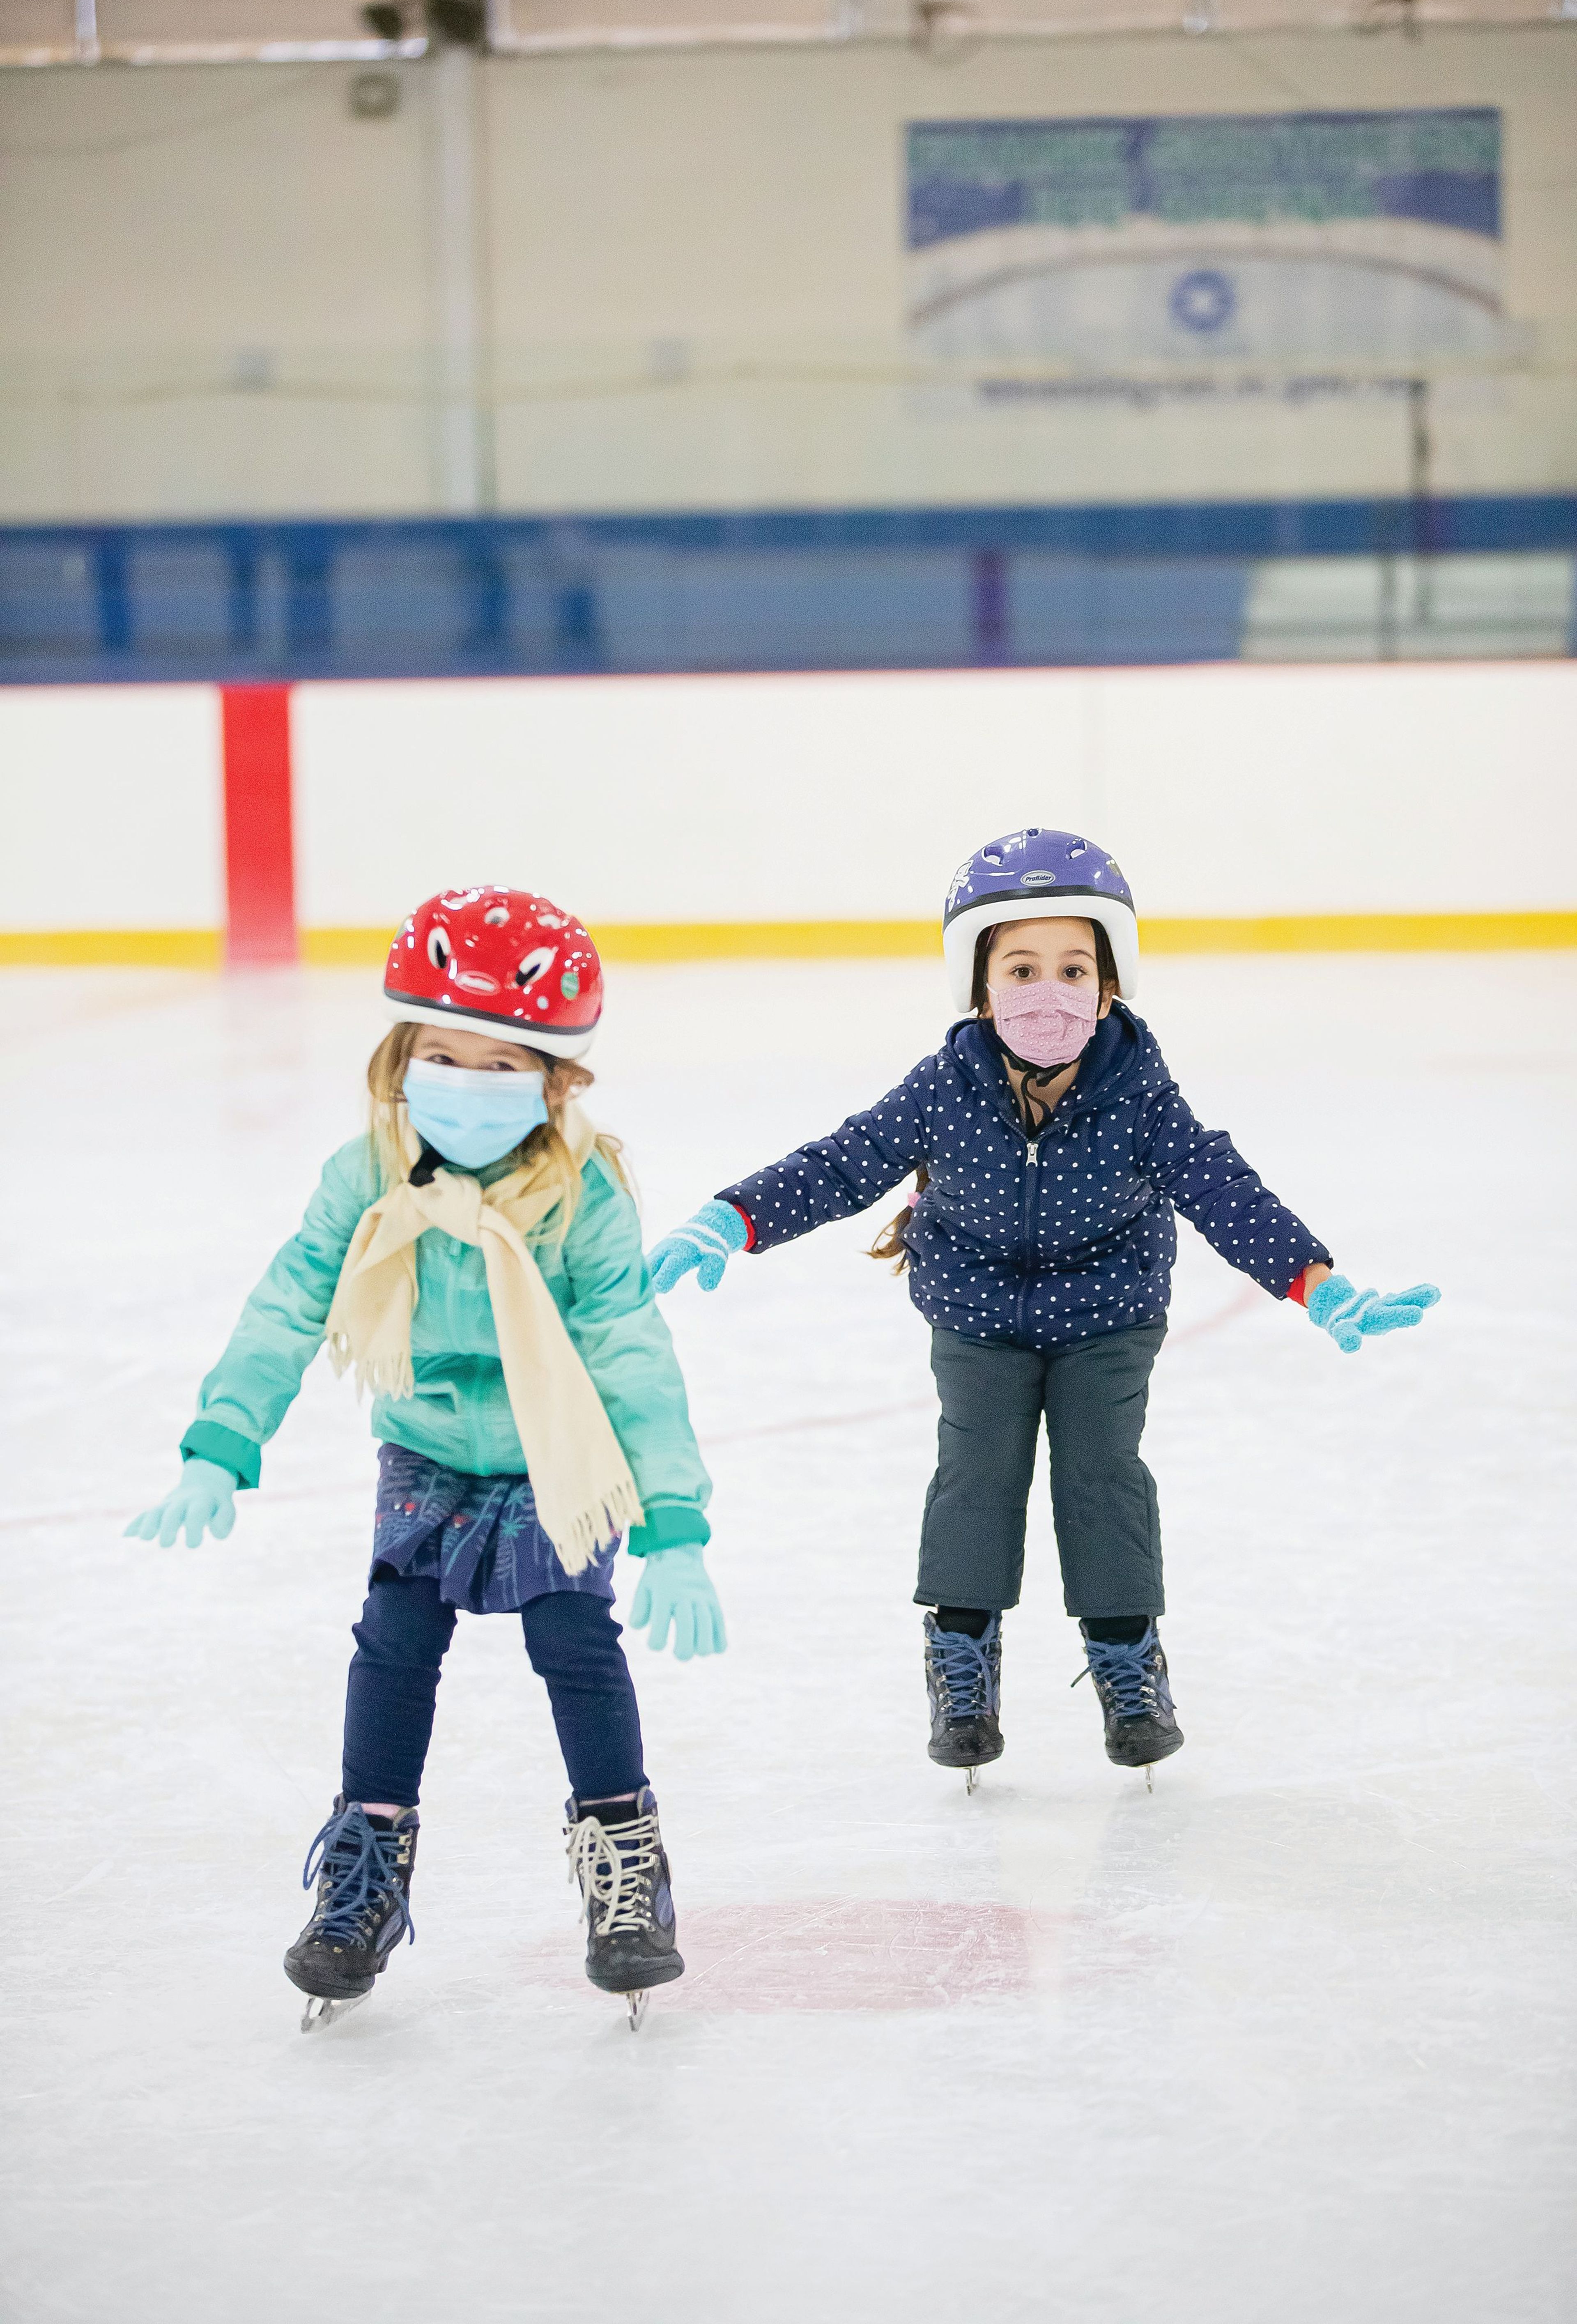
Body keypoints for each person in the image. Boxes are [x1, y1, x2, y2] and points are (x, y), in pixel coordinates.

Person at [646, 829, 1437, 1791]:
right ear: (980, 985)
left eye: (1073, 967)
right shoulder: (948, 1084)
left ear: (1110, 984)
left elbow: (1225, 1190)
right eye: (1022, 967)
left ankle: (1127, 1665)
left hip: (1109, 1314)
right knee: (977, 1473)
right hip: (977, 1312)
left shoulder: (1139, 1091)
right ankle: (962, 1664)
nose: (1049, 990)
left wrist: (1319, 1283)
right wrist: (735, 1218)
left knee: (1102, 1473)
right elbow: (843, 1162)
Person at [126, 885, 724, 2030]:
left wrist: (675, 1524)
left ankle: (625, 1866)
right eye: (444, 1056)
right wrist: (222, 1440)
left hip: (559, 1455)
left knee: (574, 1640)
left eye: (504, 1065)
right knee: (394, 1639)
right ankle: (366, 1868)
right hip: (428, 1448)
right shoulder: (368, 1175)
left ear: (556, 1079)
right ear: (402, 1054)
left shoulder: (580, 1196)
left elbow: (630, 1354)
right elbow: (291, 1300)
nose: (469, 1084)